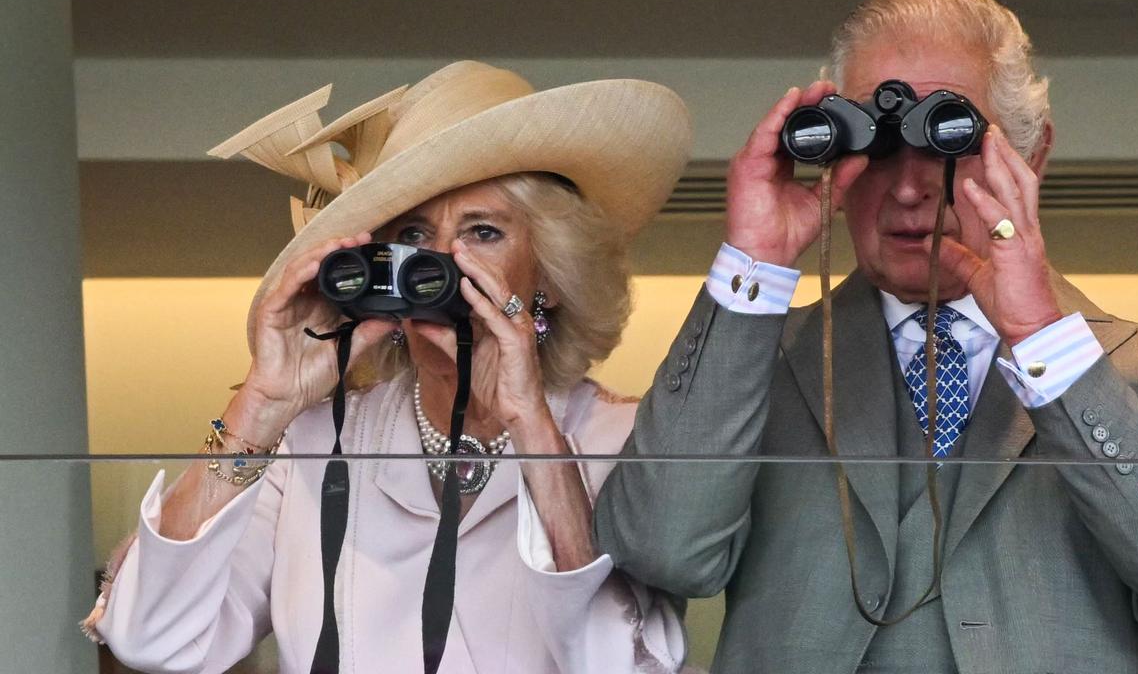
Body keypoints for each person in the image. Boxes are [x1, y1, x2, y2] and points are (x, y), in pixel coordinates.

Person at [593, 0, 1138, 673]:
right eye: (879, 145)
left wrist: (1043, 339)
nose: (910, 188)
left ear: (1030, 156)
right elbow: (660, 550)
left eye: (949, 139)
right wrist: (753, 267)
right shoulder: (756, 357)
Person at [84, 61, 693, 674]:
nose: (442, 264)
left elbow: (626, 665)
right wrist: (262, 405)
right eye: (413, 235)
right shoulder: (315, 442)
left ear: (552, 279)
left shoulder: (623, 441)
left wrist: (530, 424)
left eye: (482, 232)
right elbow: (150, 639)